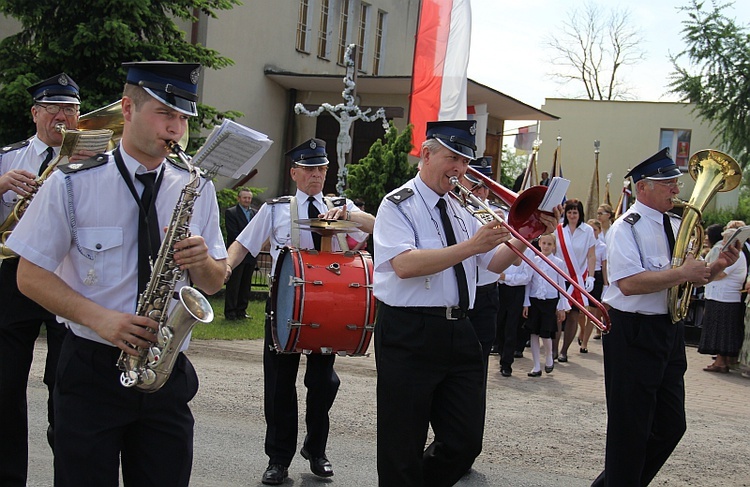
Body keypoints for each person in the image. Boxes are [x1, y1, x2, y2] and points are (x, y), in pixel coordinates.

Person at [7, 61, 228, 486]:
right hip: (92, 368)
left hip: (166, 371)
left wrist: (204, 264)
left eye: (183, 118)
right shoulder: (71, 183)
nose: (176, 129)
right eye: (165, 113)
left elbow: (215, 281)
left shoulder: (194, 185)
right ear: (127, 108)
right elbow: (29, 276)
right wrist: (102, 320)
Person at [372, 120, 561, 486]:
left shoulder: (461, 209)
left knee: (464, 441)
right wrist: (471, 246)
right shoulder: (398, 204)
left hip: (460, 327)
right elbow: (404, 264)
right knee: (401, 442)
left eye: (464, 161)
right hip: (409, 331)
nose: (459, 169)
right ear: (426, 155)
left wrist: (528, 235)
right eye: (452, 158)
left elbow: (491, 266)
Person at [224, 138, 374, 485]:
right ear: (294, 173)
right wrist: (225, 269)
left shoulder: (340, 205)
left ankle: (317, 450)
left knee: (323, 382)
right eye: (309, 169)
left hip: (329, 305)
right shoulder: (275, 209)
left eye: (321, 169)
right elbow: (243, 244)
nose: (317, 175)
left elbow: (375, 226)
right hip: (282, 307)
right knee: (279, 385)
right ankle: (278, 458)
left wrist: (351, 215)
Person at [592, 148, 739, 487]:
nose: (676, 189)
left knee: (672, 425)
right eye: (668, 183)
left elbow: (690, 276)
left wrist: (717, 266)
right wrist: (682, 273)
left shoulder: (676, 223)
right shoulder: (625, 228)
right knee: (630, 430)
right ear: (643, 187)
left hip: (667, 330)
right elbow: (628, 284)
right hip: (633, 331)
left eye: (675, 182)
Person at [0, 72, 97, 486]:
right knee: (4, 387)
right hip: (12, 273)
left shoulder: (94, 160)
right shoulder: (9, 156)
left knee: (68, 386)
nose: (63, 116)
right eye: (54, 108)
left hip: (68, 275)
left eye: (71, 109)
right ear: (35, 112)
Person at [698, 226, 747, 373]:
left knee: (721, 331)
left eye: (726, 240)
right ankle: (722, 361)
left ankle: (720, 362)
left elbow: (720, 274)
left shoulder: (736, 256)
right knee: (719, 330)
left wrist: (709, 268)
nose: (722, 242)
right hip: (720, 296)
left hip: (725, 298)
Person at [554, 199, 596, 362]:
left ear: (580, 214)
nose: (572, 215)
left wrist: (591, 276)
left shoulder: (588, 231)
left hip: (578, 277)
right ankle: (554, 350)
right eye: (569, 212)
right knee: (558, 314)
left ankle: (565, 351)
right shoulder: (558, 229)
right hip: (560, 277)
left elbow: (591, 255)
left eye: (575, 212)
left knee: (573, 315)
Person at [522, 233, 569, 377]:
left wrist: (562, 307)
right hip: (535, 299)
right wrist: (526, 303)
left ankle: (549, 356)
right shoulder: (534, 261)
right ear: (539, 244)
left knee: (546, 332)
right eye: (544, 243)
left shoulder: (558, 263)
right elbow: (529, 283)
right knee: (534, 333)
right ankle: (536, 365)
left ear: (554, 246)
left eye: (549, 244)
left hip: (549, 301)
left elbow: (561, 285)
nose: (546, 246)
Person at [224, 187, 256, 320]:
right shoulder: (231, 213)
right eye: (244, 198)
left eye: (249, 198)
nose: (247, 200)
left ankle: (242, 311)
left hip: (250, 254)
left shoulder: (255, 213)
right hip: (237, 253)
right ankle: (230, 311)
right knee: (234, 284)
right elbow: (233, 233)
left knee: (246, 283)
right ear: (239, 199)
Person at [580, 219, 608, 348]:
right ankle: (582, 330)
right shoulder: (583, 244)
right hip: (582, 275)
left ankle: (585, 343)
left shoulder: (602, 247)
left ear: (599, 231)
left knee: (592, 311)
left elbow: (604, 266)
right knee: (580, 310)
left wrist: (606, 284)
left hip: (596, 277)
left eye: (594, 230)